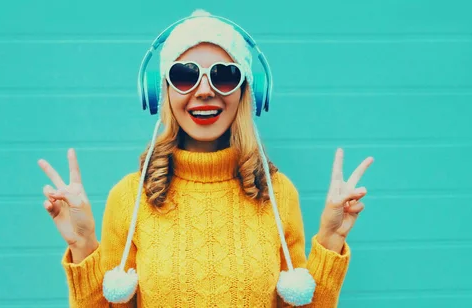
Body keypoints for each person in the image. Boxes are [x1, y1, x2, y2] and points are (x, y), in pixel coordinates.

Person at [38, 9, 373, 308]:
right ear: (162, 91)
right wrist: (82, 244)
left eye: (223, 76)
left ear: (246, 92)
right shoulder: (129, 198)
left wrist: (331, 238)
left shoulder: (277, 194)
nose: (203, 90)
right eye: (185, 75)